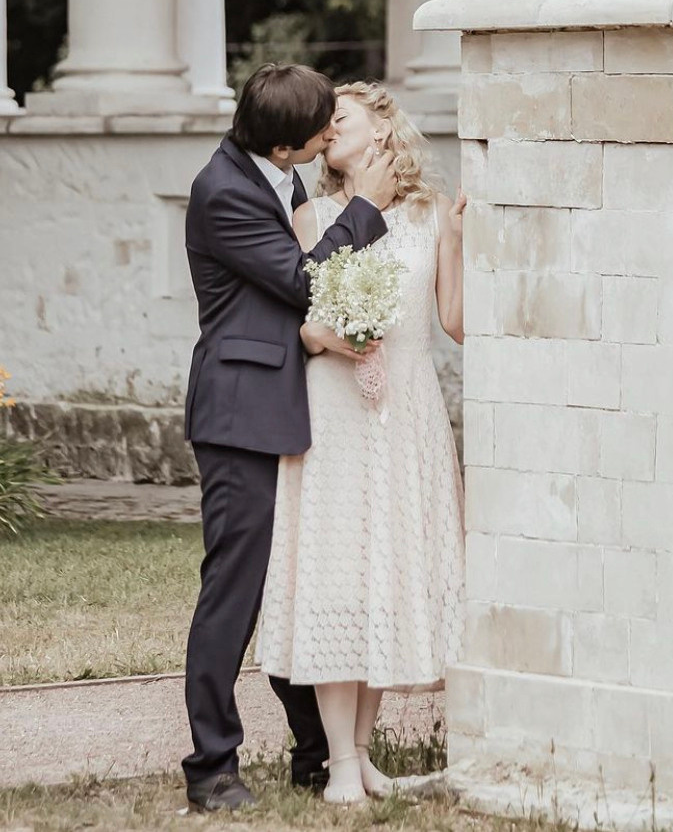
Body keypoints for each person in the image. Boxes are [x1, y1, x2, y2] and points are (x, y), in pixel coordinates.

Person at [181, 64, 398, 813]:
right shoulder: (225, 192)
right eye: (320, 127)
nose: (329, 133)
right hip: (240, 415)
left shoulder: (277, 177)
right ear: (287, 145)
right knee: (233, 596)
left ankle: (315, 749)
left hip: (285, 406)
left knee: (290, 585)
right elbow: (307, 281)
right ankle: (211, 765)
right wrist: (366, 207)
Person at [257, 82, 467, 805]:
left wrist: (465, 243)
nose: (324, 130)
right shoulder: (308, 215)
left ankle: (362, 753)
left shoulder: (433, 214)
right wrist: (328, 335)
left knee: (385, 576)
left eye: (337, 118)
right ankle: (338, 763)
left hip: (407, 409)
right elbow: (295, 321)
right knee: (337, 577)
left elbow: (458, 322)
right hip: (335, 412)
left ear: (382, 129)